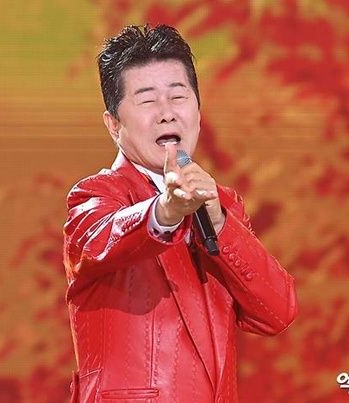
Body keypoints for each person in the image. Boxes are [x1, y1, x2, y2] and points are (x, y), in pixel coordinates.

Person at [63, 24, 298, 403]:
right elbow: (104, 238)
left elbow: (276, 312)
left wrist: (219, 223)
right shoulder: (95, 196)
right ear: (114, 125)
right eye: (147, 101)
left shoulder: (222, 205)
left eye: (178, 96)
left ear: (199, 113)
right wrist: (165, 211)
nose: (167, 114)